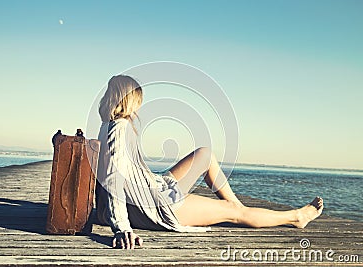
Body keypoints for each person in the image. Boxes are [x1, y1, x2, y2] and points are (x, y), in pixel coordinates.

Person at [95, 75, 324, 249]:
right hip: (156, 205)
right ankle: (295, 217)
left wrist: (104, 211)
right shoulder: (120, 127)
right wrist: (121, 227)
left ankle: (239, 207)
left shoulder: (107, 127)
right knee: (232, 213)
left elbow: (105, 177)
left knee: (204, 154)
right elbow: (114, 178)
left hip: (152, 189)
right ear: (130, 100)